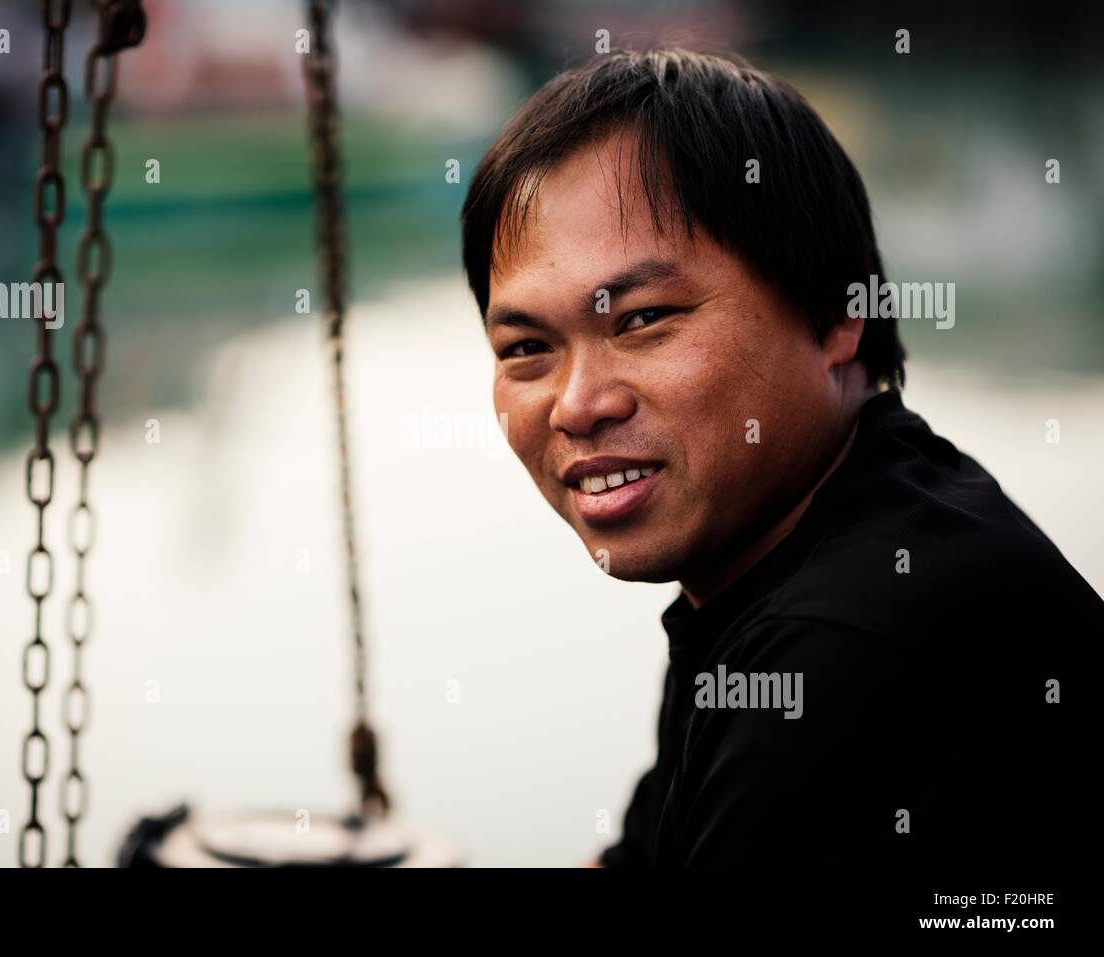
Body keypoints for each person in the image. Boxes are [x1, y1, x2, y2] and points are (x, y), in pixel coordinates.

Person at [460, 48, 1097, 867]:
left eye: (643, 318)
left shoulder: (841, 656)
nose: (578, 403)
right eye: (526, 347)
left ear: (836, 312)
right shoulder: (771, 564)